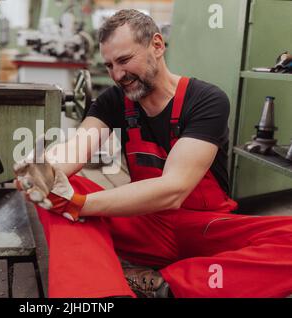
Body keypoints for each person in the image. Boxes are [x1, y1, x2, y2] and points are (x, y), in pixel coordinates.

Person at [14, 9, 292, 298]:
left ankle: (166, 285)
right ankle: (100, 293)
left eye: (124, 60)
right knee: (59, 192)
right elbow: (79, 145)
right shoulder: (114, 101)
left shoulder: (206, 100)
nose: (117, 75)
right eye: (109, 65)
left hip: (204, 227)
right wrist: (45, 171)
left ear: (157, 46)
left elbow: (174, 189)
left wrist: (78, 205)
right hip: (144, 222)